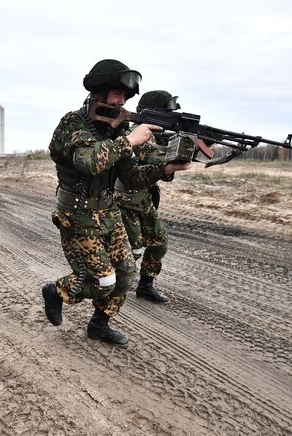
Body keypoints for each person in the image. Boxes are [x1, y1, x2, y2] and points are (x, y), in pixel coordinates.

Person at [42, 60, 190, 345]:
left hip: (108, 212)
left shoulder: (116, 130)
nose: (121, 100)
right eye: (116, 93)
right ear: (99, 91)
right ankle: (57, 291)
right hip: (77, 215)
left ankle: (99, 325)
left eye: (125, 96)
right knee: (102, 281)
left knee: (125, 275)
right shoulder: (74, 123)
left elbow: (132, 177)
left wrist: (166, 169)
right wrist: (131, 141)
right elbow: (87, 162)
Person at [114, 90, 182, 303]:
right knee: (132, 250)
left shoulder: (158, 138)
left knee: (159, 241)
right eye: (168, 114)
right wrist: (176, 152)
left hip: (143, 199)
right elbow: (153, 158)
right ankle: (110, 293)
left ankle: (145, 286)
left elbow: (165, 174)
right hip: (124, 201)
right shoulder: (139, 134)